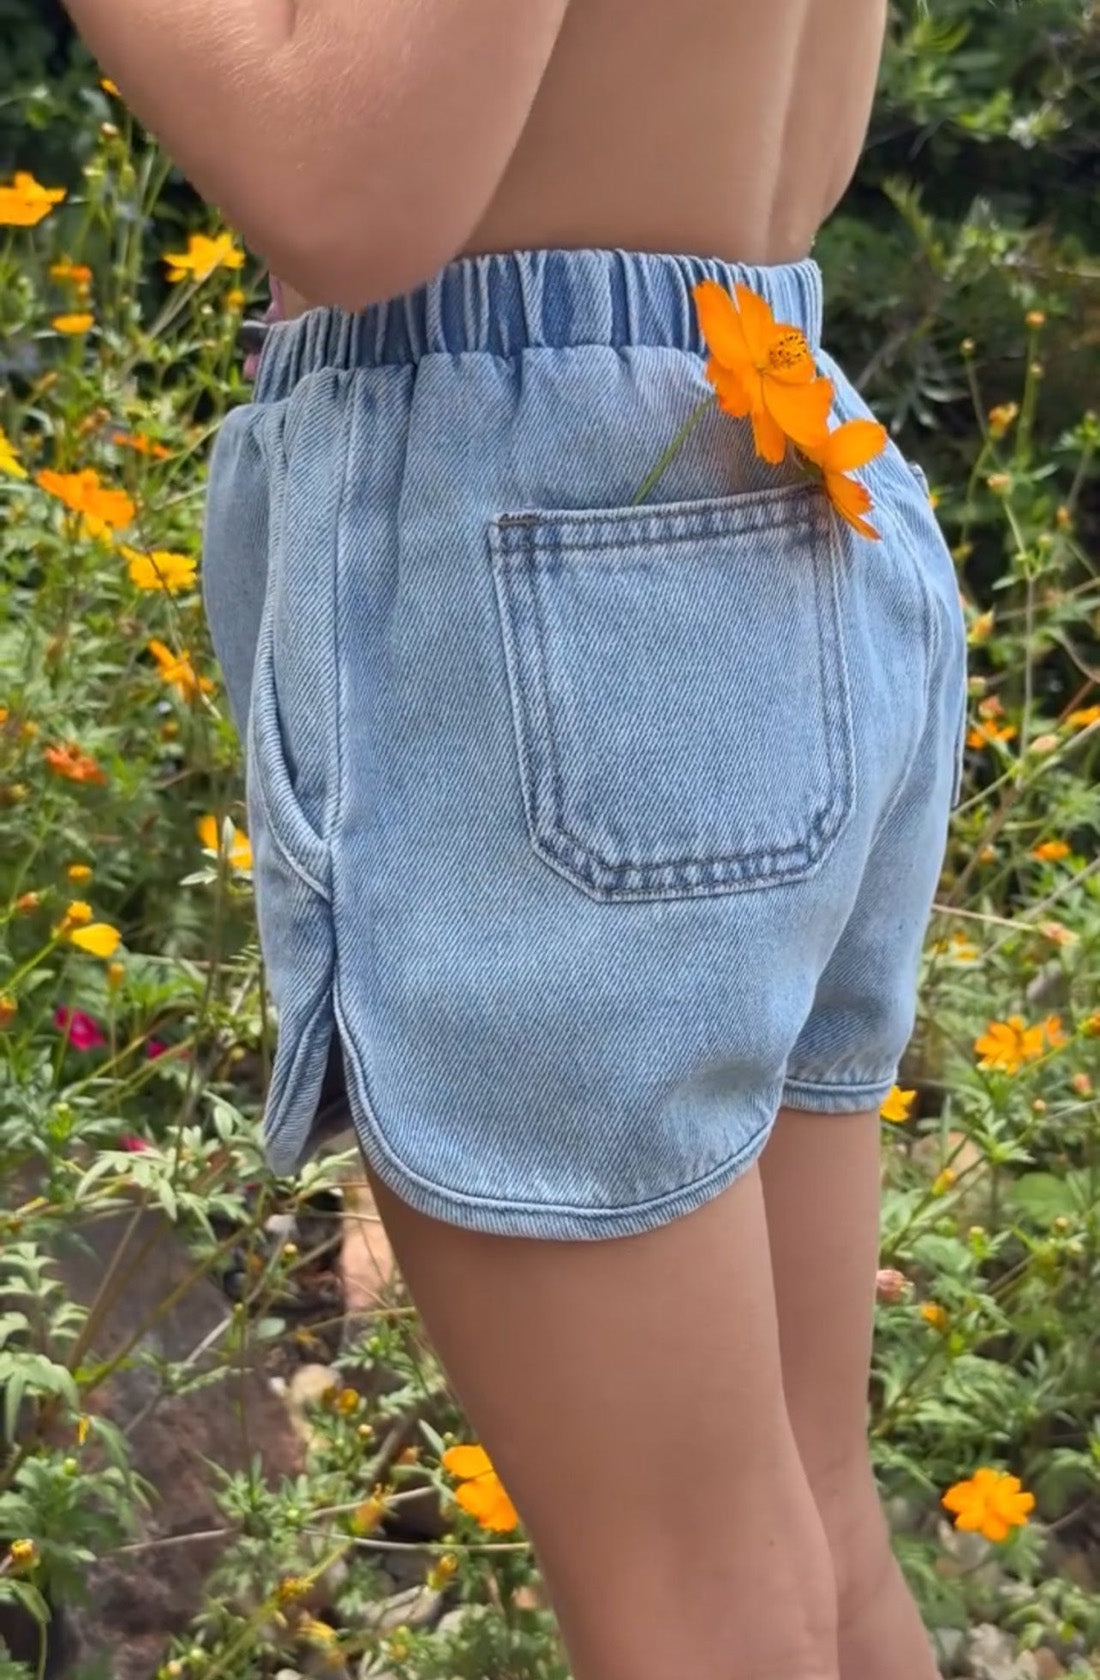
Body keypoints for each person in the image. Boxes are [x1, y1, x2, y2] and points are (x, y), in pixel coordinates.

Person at [62, 1, 967, 1675]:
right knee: (802, 1523)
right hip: (760, 444)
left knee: (693, 1596)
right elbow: (816, 143)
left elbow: (351, 184)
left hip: (547, 533)